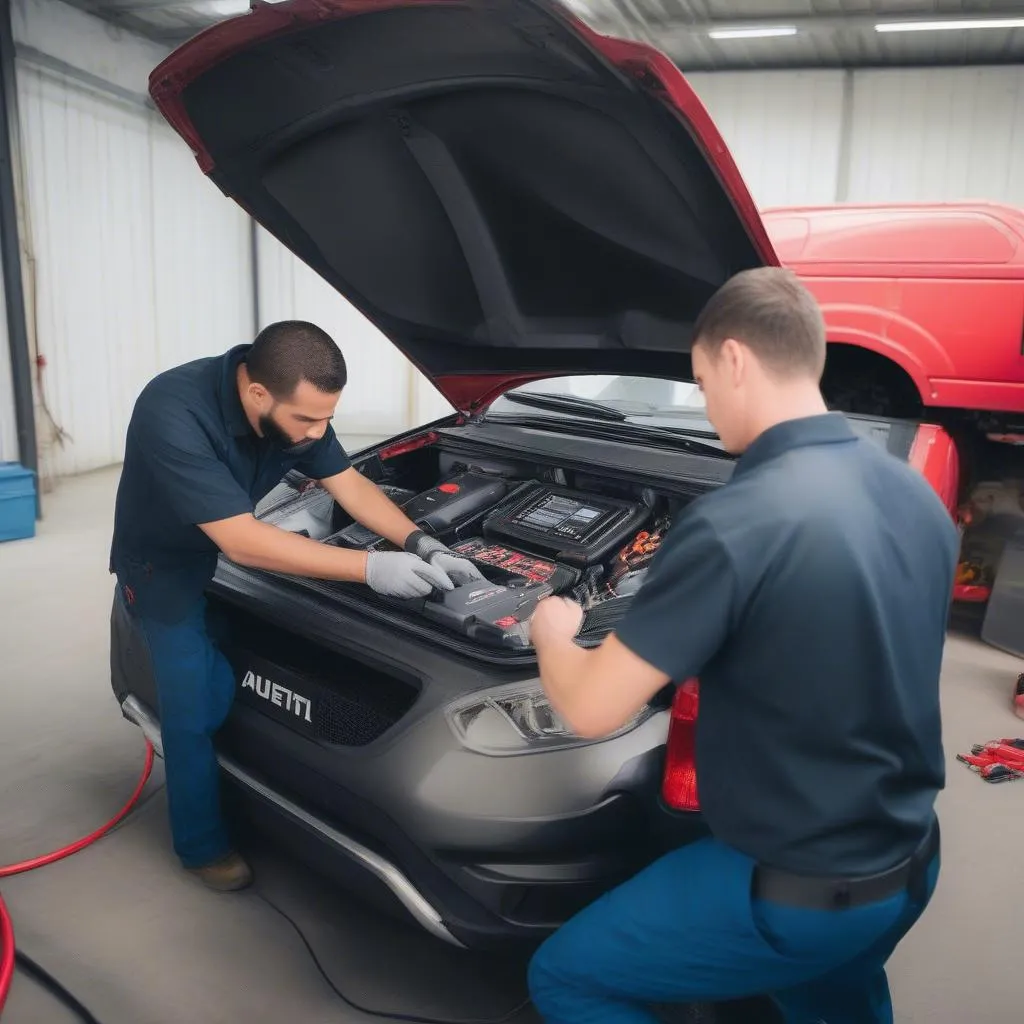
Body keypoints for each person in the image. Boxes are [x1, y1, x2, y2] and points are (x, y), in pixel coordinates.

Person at [525, 268, 959, 1024]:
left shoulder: (738, 521)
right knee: (834, 1004)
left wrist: (553, 634)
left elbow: (591, 709)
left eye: (699, 381)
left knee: (568, 980)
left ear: (733, 360)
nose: (706, 402)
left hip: (797, 890)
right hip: (909, 855)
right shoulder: (914, 494)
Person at [109, 321, 483, 891]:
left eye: (328, 418)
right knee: (193, 708)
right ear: (257, 393)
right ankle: (201, 846)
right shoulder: (173, 410)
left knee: (223, 678)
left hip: (225, 554)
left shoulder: (300, 411)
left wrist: (419, 541)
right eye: (307, 420)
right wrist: (369, 567)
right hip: (163, 568)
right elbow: (241, 540)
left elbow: (350, 486)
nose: (318, 433)